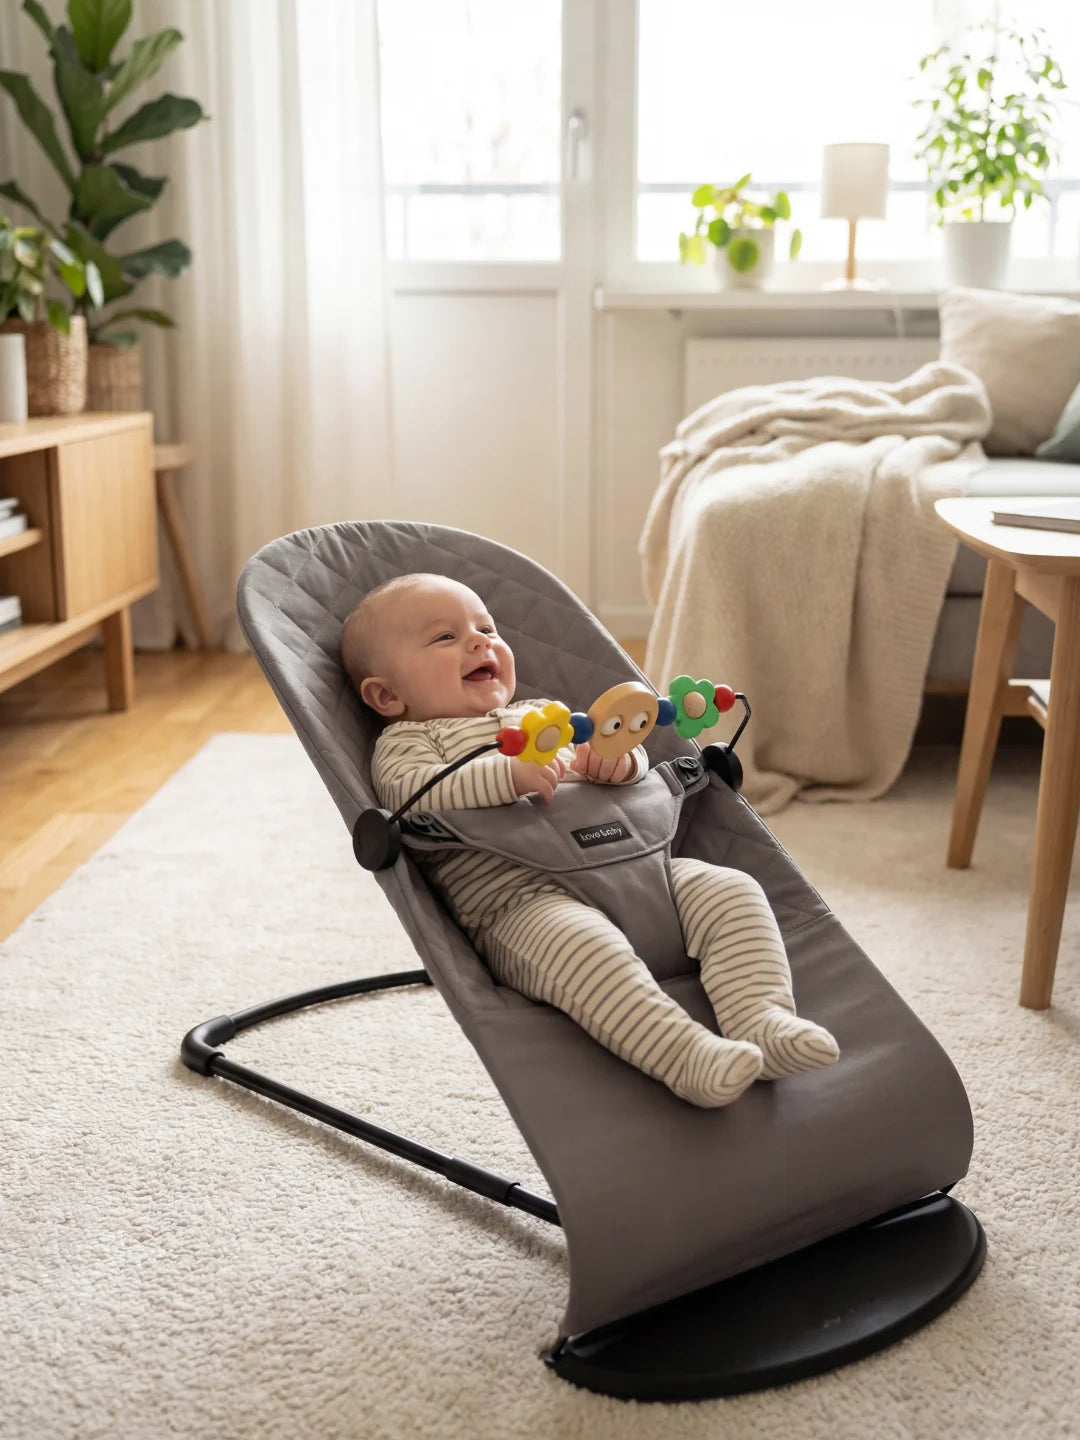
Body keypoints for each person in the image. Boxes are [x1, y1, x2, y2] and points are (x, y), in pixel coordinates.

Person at [342, 571, 839, 1108]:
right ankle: (683, 1055)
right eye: (445, 637)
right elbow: (411, 795)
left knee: (732, 891)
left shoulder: (539, 715)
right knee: (582, 951)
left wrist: (618, 762)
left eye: (487, 628)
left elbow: (622, 756)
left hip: (643, 876)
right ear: (387, 694)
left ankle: (763, 1019)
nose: (481, 641)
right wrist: (505, 776)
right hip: (524, 904)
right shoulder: (407, 741)